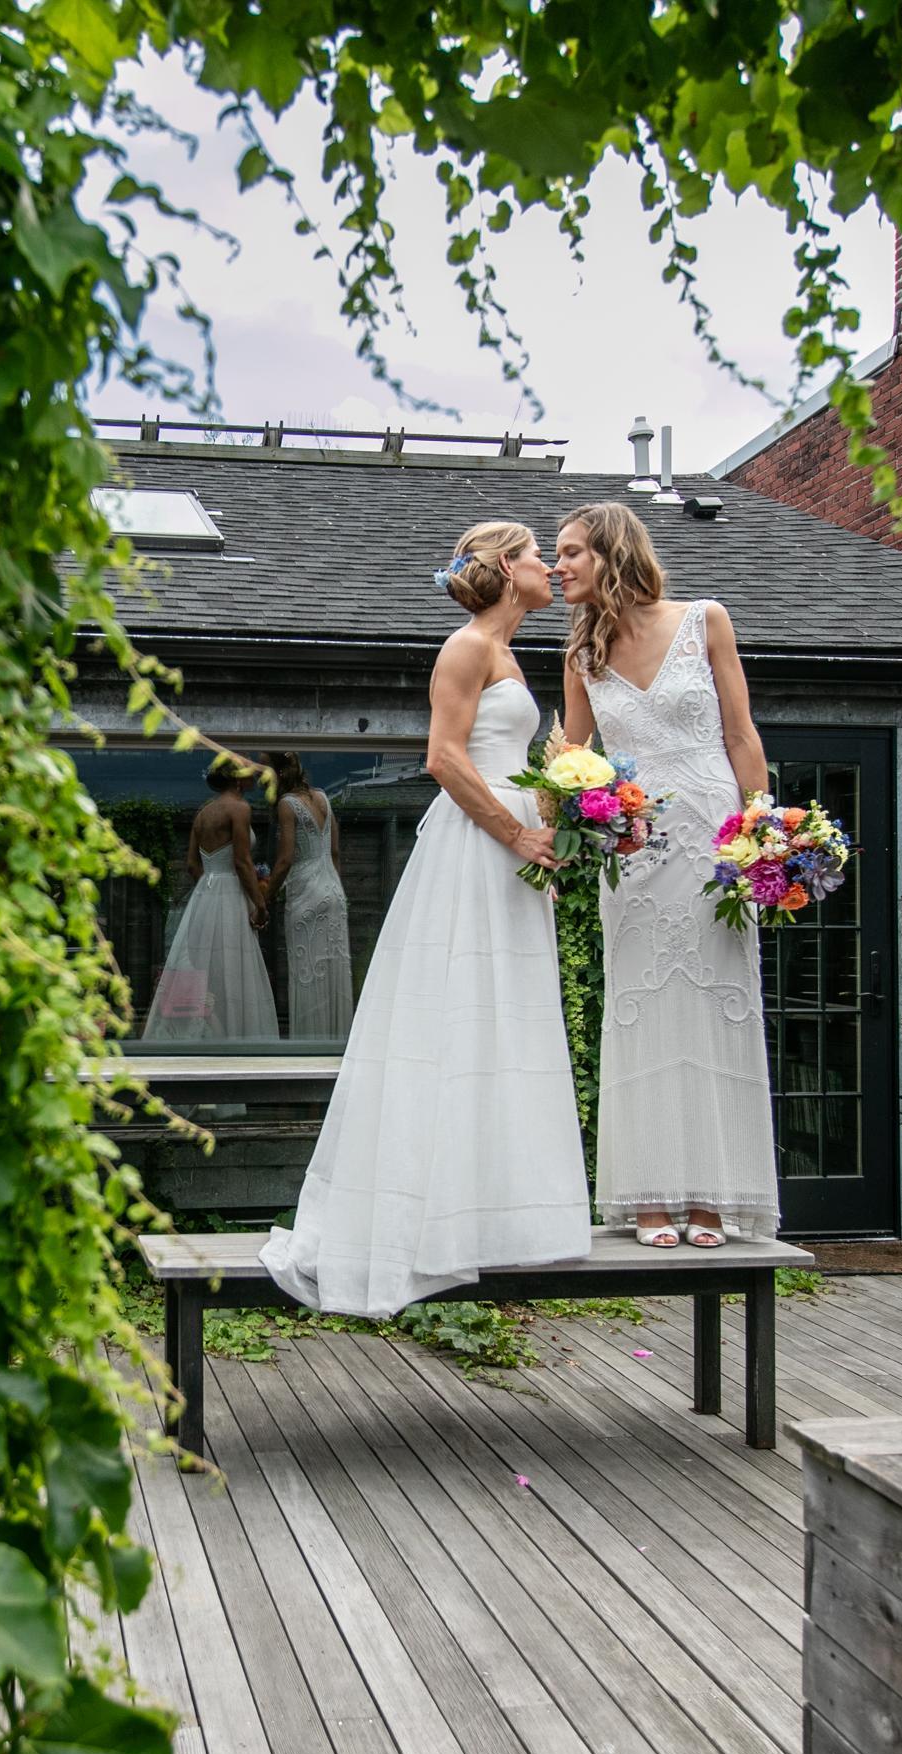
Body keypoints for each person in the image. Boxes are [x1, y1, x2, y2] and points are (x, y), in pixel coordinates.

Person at [260, 522, 593, 1317]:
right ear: (507, 566)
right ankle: (422, 1220)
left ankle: (488, 1214)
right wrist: (515, 833)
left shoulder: (510, 652)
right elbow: (444, 757)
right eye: (537, 555)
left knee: (503, 1023)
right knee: (453, 1017)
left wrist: (548, 825)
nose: (549, 566)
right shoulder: (467, 646)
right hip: (476, 850)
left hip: (510, 858)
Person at [556, 501, 780, 1248]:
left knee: (719, 1007)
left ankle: (714, 1200)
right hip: (636, 850)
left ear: (612, 552)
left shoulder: (706, 620)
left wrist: (762, 832)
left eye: (572, 552)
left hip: (715, 841)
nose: (559, 566)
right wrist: (579, 824)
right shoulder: (581, 656)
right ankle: (650, 1198)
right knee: (643, 1011)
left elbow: (740, 733)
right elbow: (572, 767)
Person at [143, 761, 279, 1042]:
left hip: (204, 896)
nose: (255, 776)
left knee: (209, 968)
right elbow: (242, 862)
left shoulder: (203, 813)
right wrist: (260, 905)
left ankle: (215, 1038)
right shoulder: (239, 808)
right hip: (230, 895)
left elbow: (192, 865)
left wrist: (209, 889)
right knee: (233, 968)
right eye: (249, 772)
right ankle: (235, 1038)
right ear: (238, 780)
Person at [263, 751, 352, 1040]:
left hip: (306, 892)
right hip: (333, 890)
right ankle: (335, 1040)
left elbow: (285, 860)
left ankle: (310, 1042)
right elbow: (334, 851)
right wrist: (334, 886)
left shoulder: (287, 804)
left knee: (308, 972)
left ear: (277, 774)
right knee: (333, 969)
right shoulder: (323, 797)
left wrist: (265, 898)